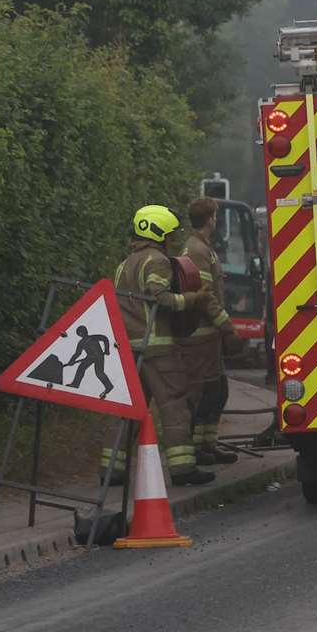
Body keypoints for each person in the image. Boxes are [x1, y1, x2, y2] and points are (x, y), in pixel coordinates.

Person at [105, 204, 214, 486]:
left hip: (129, 348)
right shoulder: (157, 261)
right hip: (157, 348)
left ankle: (112, 470)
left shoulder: (123, 265)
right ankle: (182, 469)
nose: (170, 241)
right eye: (168, 235)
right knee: (175, 404)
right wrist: (193, 299)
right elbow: (161, 298)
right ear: (159, 233)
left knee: (128, 408)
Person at [181, 197, 243, 466]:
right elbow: (205, 296)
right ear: (210, 219)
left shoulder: (204, 248)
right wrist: (227, 328)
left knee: (218, 391)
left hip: (210, 336)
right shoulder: (196, 250)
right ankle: (198, 448)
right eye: (215, 216)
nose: (216, 220)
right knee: (206, 392)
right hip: (201, 336)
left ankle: (208, 444)